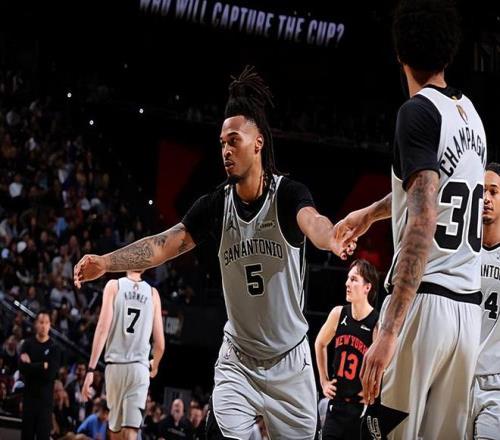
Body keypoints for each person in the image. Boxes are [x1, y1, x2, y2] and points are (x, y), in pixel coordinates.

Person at [74, 66, 355, 439]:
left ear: (258, 143)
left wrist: (331, 237)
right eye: (222, 143)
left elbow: (313, 222)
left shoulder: (288, 195)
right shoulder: (215, 206)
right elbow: (162, 245)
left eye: (234, 141)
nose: (225, 150)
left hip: (290, 361)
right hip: (238, 359)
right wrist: (106, 262)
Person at [336, 0, 487, 438]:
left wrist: (388, 330)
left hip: (425, 305)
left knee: (382, 432)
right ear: (448, 52)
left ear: (399, 53)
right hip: (467, 313)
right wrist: (371, 213)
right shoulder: (472, 116)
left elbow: (422, 220)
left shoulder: (416, 111)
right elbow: (429, 191)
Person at [81, 270, 165, 440]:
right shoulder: (153, 294)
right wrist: (154, 365)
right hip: (139, 368)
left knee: (115, 431)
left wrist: (90, 370)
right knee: (131, 432)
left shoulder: (114, 286)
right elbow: (160, 344)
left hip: (115, 366)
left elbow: (102, 329)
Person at [315, 259, 379, 439]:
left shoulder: (376, 323)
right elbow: (320, 343)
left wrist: (374, 390)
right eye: (348, 278)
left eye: (353, 279)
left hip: (360, 408)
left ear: (367, 287)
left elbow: (384, 367)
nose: (347, 283)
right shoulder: (338, 313)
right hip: (336, 405)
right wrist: (324, 381)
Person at [469, 163, 500, 439]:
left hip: (495, 384)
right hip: (457, 377)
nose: (486, 198)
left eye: (494, 191)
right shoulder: (461, 252)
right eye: (482, 191)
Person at [19, 310, 62, 440]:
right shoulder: (27, 344)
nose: (44, 326)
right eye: (41, 322)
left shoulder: (54, 348)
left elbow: (50, 374)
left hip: (45, 403)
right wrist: (43, 365)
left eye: (46, 323)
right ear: (36, 324)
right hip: (29, 400)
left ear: (50, 325)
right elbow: (23, 369)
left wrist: (32, 365)